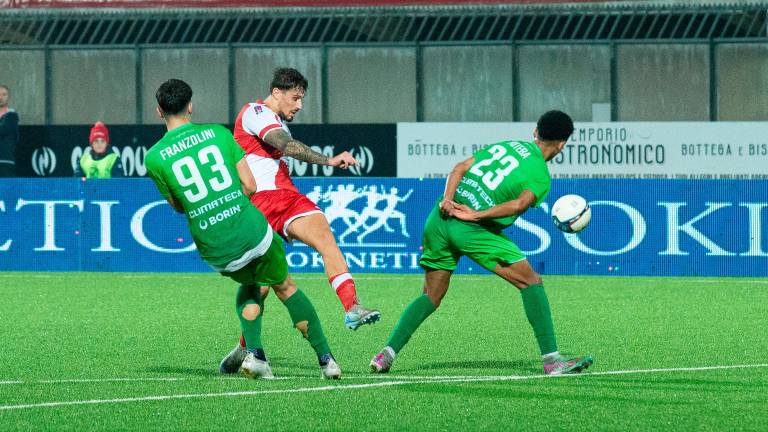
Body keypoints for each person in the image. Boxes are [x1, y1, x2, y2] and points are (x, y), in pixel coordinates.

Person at [370, 110, 593, 376]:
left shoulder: (508, 146)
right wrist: (475, 214)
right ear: (562, 144)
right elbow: (519, 204)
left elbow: (459, 168)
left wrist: (447, 200)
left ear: (535, 132)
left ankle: (386, 354)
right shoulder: (541, 175)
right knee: (530, 281)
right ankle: (552, 360)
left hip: (439, 220)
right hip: (472, 228)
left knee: (430, 296)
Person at [145, 78, 341, 380]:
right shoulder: (218, 134)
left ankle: (256, 354)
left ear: (159, 111)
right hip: (250, 230)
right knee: (284, 285)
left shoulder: (153, 157)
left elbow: (179, 205)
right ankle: (326, 360)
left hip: (213, 247)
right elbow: (250, 185)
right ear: (191, 106)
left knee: (249, 285)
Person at [220, 68, 381, 373]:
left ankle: (351, 307)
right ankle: (247, 348)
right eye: (295, 98)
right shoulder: (256, 112)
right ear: (276, 92)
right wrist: (329, 160)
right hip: (265, 201)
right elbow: (286, 146)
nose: (299, 106)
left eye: (302, 99)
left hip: (278, 199)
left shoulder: (275, 120)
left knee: (320, 242)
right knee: (267, 285)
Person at [0, 85, 19, 177]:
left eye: (4, 94)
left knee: (6, 190)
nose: (1, 97)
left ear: (8, 97)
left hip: (5, 161)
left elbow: (5, 130)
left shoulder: (12, 115)